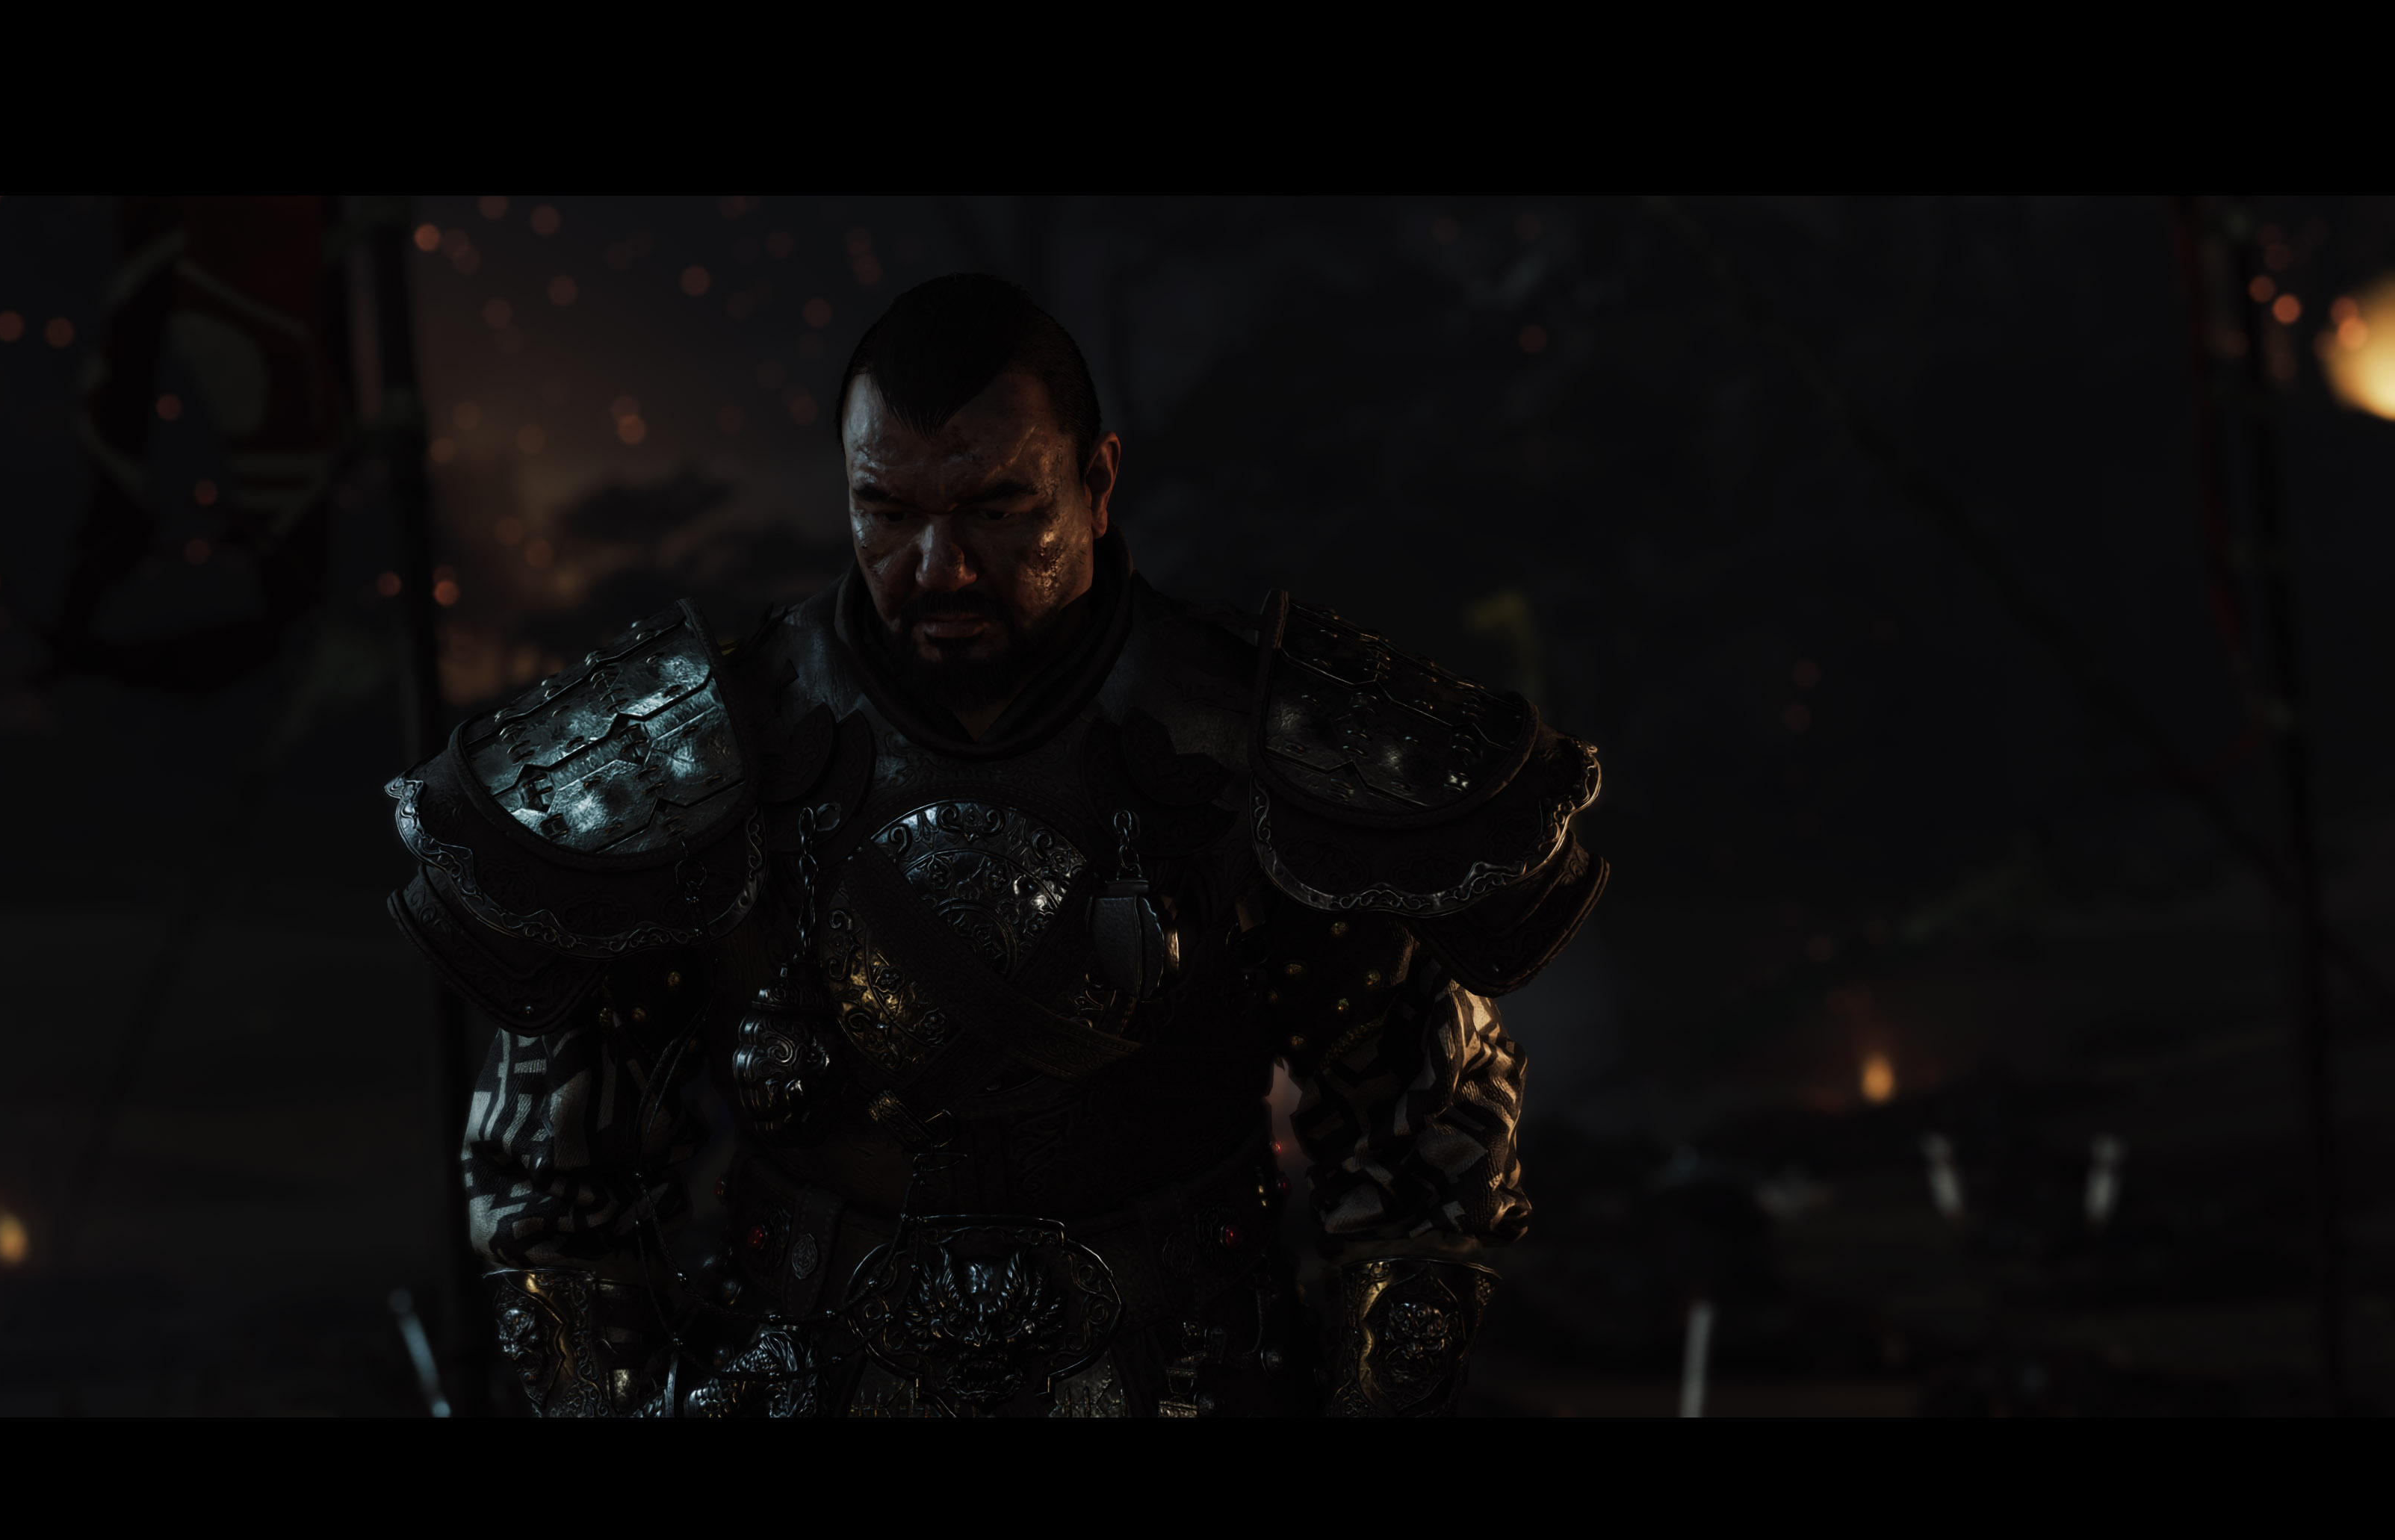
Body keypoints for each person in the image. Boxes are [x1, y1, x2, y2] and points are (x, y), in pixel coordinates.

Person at [385, 273, 1605, 1417]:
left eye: (999, 508)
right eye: (887, 512)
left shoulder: (1267, 742)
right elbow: (547, 1175)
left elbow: (1424, 1144)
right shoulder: (703, 751)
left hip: (1195, 1375)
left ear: (1096, 482)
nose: (942, 566)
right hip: (791, 1375)